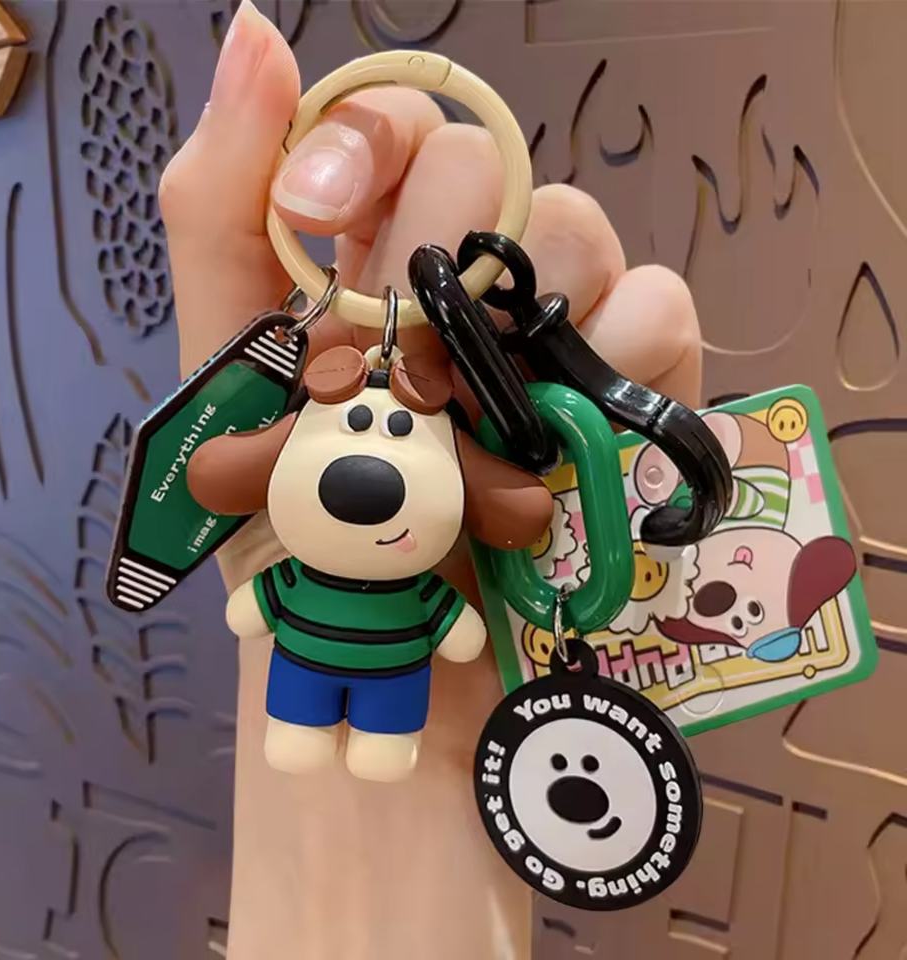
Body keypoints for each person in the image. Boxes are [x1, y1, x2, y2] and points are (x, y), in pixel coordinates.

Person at [158, 2, 701, 957]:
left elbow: (448, 621)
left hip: (416, 697)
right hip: (319, 676)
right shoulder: (290, 540)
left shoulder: (432, 547)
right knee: (313, 717)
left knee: (382, 727)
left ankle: (388, 753)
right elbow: (264, 598)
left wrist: (490, 643)